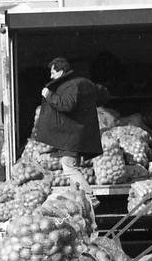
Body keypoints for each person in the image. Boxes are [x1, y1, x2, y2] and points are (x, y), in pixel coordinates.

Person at [33, 56, 102, 192]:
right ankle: (78, 199)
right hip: (75, 135)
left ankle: (89, 195)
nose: (51, 77)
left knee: (68, 166)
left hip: (71, 136)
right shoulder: (79, 83)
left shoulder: (70, 85)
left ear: (60, 72)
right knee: (71, 167)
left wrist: (49, 95)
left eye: (53, 73)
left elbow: (66, 105)